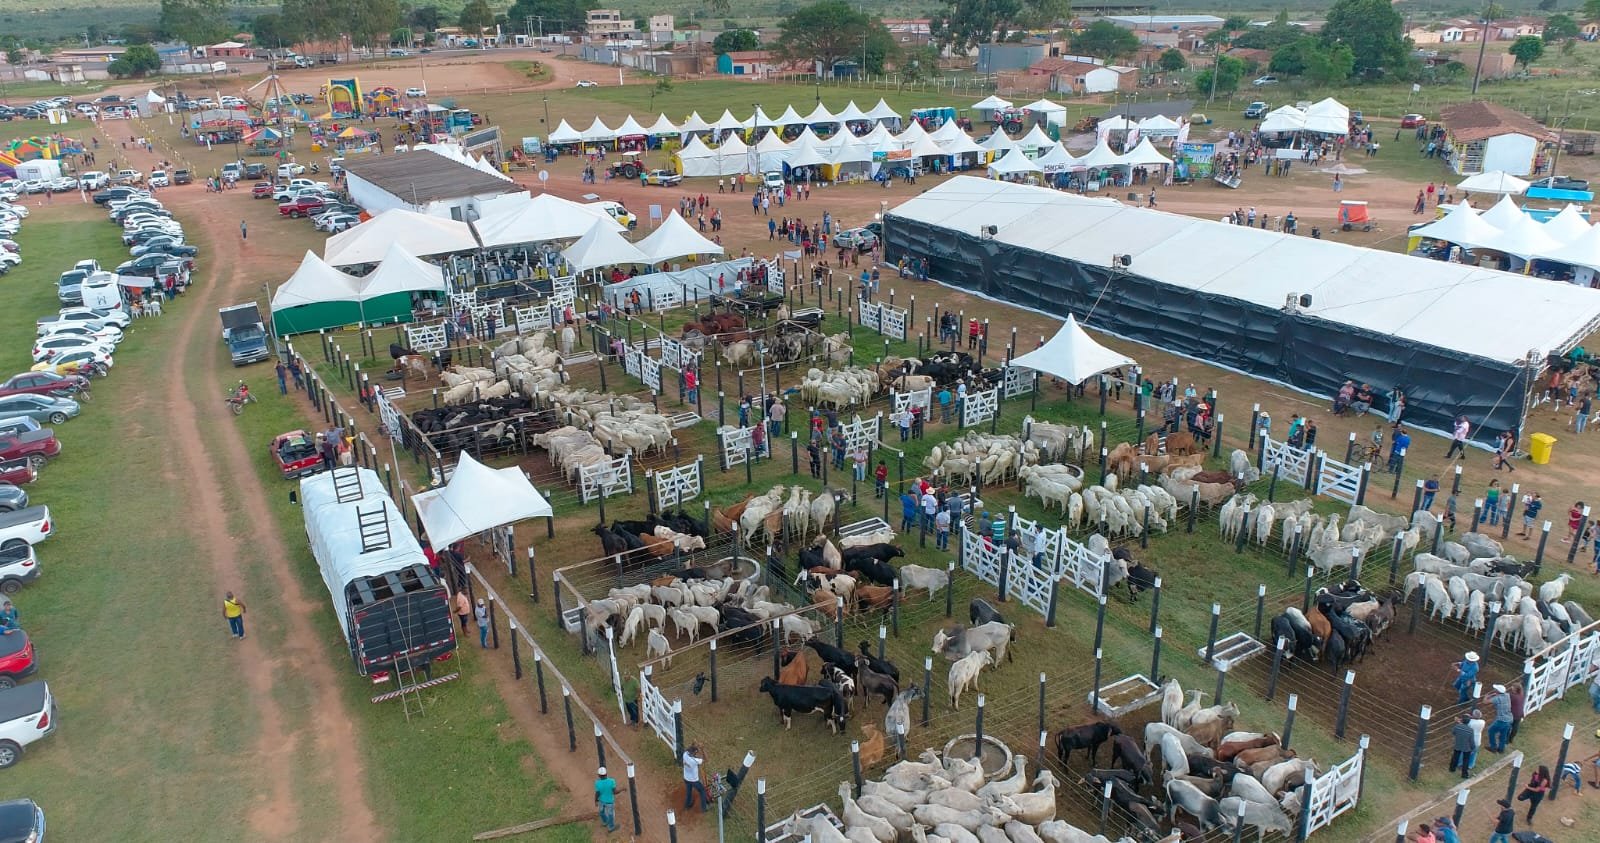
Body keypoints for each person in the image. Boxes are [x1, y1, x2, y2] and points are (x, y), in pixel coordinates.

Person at [682, 745, 710, 811]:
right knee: (702, 790)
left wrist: (695, 744)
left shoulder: (685, 754)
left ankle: (687, 805)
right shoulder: (695, 761)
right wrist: (703, 749)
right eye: (696, 753)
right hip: (694, 780)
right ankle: (704, 808)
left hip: (686, 778)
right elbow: (706, 759)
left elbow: (690, 747)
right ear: (693, 753)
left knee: (689, 792)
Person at [1487, 684, 1514, 751]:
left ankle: (1493, 747)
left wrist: (1487, 696)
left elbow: (1485, 702)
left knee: (1491, 730)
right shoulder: (1507, 695)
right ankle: (1501, 749)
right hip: (1509, 718)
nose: (1494, 690)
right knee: (1503, 735)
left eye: (1496, 689)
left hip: (1502, 720)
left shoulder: (1497, 698)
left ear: (1498, 691)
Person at [1448, 714, 1475, 778]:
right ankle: (1464, 774)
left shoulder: (1457, 726)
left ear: (1462, 720)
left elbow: (1453, 732)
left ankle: (1452, 769)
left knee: (1455, 757)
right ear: (1469, 722)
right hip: (1467, 747)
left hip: (1458, 744)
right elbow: (1471, 741)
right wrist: (1473, 747)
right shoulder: (1470, 730)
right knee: (1466, 760)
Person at [594, 767, 618, 832]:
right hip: (610, 802)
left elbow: (597, 793)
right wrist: (622, 789)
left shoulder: (597, 783)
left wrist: (595, 800)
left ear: (599, 775)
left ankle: (605, 822)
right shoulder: (612, 781)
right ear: (606, 773)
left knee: (601, 812)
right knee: (610, 814)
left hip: (601, 801)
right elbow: (615, 792)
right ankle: (611, 827)